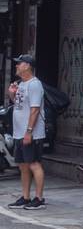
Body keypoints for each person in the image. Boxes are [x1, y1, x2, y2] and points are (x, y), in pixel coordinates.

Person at [7, 54, 46, 209]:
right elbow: (19, 104)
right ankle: (25, 197)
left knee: (34, 164)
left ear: (27, 66)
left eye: (19, 64)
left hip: (31, 133)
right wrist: (12, 93)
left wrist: (29, 132)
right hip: (19, 132)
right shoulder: (22, 84)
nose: (16, 66)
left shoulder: (34, 85)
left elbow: (35, 110)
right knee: (23, 165)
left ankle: (39, 198)